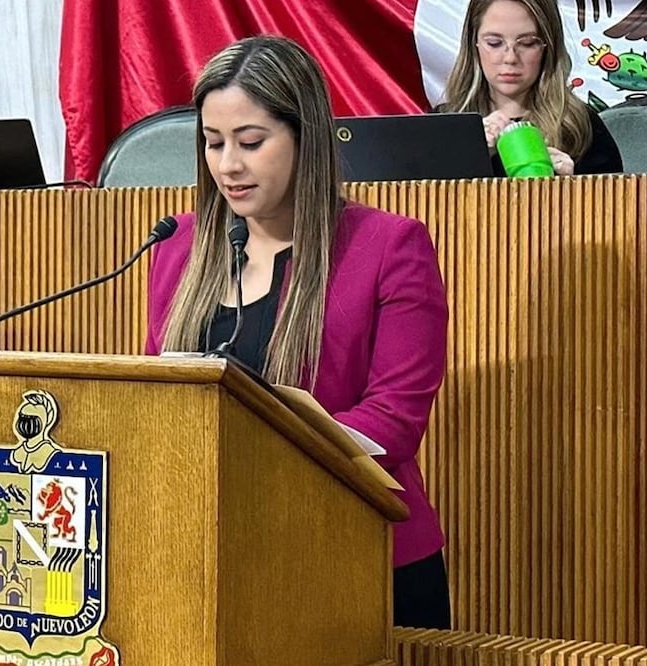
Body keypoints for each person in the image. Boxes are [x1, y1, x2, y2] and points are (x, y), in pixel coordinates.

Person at [144, 35, 451, 629]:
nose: (228, 165)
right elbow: (163, 395)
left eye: (251, 142)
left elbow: (393, 422)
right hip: (212, 559)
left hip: (358, 557)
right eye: (213, 143)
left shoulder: (389, 247)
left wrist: (252, 457)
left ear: (305, 137)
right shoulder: (177, 245)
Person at [439, 0, 623, 176]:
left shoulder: (581, 126)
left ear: (547, 47)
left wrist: (570, 188)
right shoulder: (444, 124)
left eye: (527, 43)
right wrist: (470, 156)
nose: (510, 58)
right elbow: (422, 204)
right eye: (494, 43)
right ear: (474, 44)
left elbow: (616, 205)